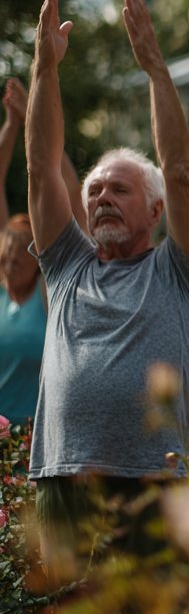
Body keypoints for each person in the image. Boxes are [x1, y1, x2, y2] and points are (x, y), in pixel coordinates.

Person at [26, 0, 189, 560]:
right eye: (95, 190)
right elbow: (38, 170)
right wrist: (44, 69)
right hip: (61, 481)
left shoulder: (178, 270)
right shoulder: (66, 265)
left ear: (155, 210)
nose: (102, 197)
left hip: (149, 485)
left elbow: (179, 172)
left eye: (120, 189)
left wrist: (156, 70)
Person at [0, 80, 86, 428]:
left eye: (24, 250)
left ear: (40, 262)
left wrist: (39, 121)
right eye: (7, 249)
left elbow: (70, 194)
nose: (12, 257)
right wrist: (11, 124)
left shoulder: (49, 294)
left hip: (38, 444)